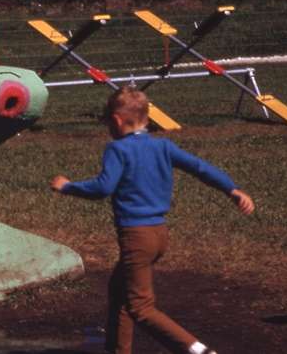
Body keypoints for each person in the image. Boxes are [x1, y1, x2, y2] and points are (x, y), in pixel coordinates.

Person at [50, 86, 255, 354]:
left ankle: (197, 350)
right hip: (159, 234)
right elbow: (199, 167)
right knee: (120, 292)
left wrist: (68, 187)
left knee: (141, 308)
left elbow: (103, 187)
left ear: (116, 120)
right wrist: (231, 188)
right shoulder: (163, 146)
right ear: (147, 118)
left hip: (136, 237)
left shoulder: (118, 149)